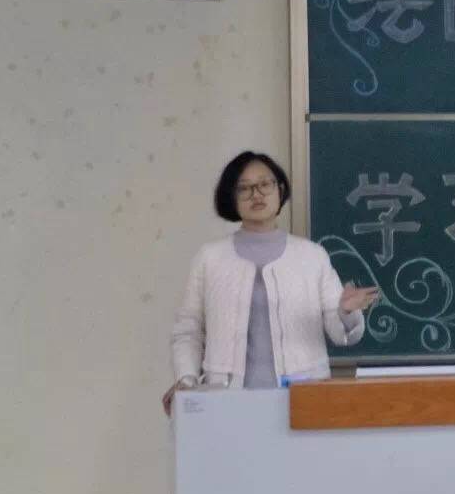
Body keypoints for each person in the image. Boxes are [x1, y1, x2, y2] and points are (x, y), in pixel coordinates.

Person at [162, 151, 378, 415]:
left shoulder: (312, 256)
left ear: (280, 190)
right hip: (226, 401)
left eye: (265, 184)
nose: (257, 194)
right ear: (231, 197)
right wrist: (186, 380)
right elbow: (188, 330)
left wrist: (345, 311)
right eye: (244, 188)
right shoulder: (210, 258)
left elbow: (339, 333)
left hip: (303, 398)